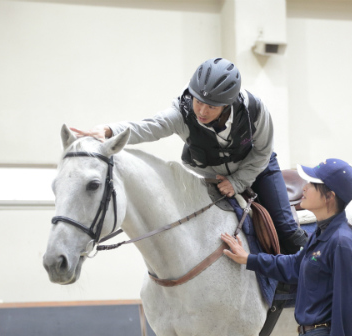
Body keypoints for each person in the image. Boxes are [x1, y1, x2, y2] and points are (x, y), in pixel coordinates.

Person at [70, 57, 307, 254]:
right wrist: (109, 130)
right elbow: (149, 126)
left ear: (227, 104)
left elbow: (263, 151)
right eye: (198, 101)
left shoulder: (254, 109)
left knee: (285, 228)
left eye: (211, 106)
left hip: (258, 168)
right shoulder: (181, 113)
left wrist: (237, 182)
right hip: (212, 176)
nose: (202, 111)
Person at [220, 158, 352, 336]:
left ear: (329, 197)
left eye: (312, 184)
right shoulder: (323, 234)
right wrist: (248, 259)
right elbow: (294, 265)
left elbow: (347, 309)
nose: (303, 187)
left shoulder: (342, 243)